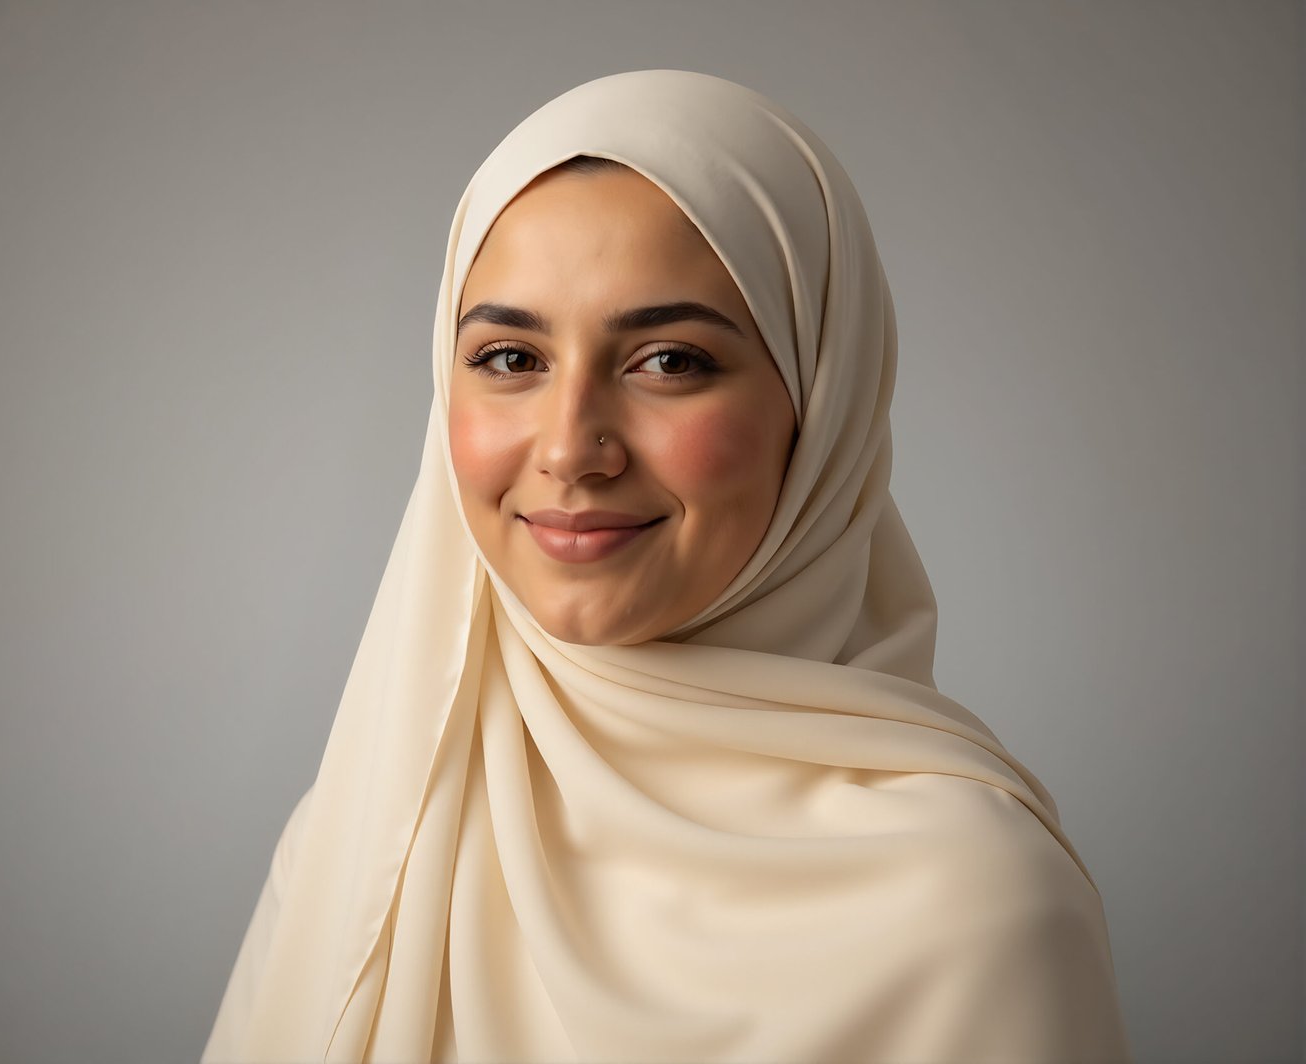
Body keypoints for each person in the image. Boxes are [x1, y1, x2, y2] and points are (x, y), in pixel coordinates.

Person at [201, 69, 1131, 1063]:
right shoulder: (365, 827)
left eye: (669, 361)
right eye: (511, 358)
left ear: (822, 406)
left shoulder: (977, 912)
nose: (570, 449)